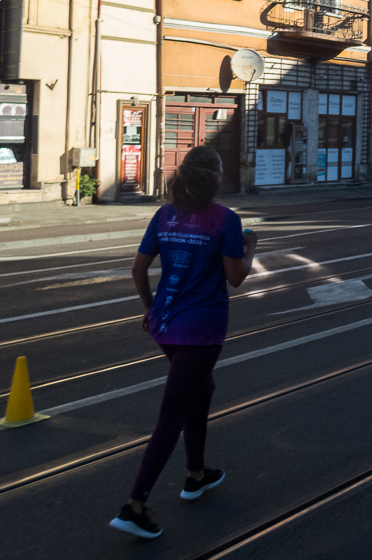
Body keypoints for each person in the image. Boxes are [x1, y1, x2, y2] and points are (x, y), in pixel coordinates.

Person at [110, 146, 258, 540]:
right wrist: (251, 247)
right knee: (172, 414)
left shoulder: (164, 215)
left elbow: (139, 268)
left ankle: (196, 474)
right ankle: (134, 505)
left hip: (166, 321)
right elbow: (236, 278)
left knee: (201, 388)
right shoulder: (225, 220)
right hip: (203, 328)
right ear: (212, 178)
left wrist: (149, 308)